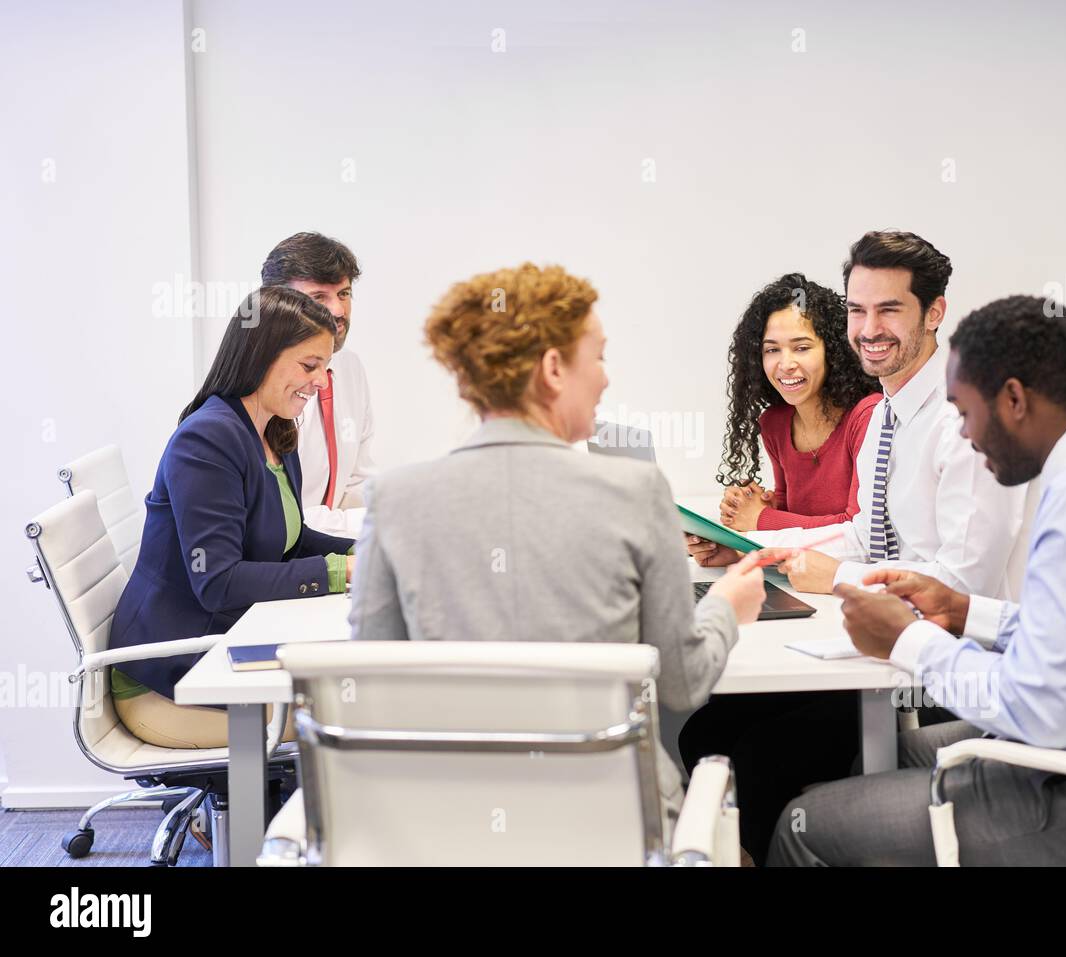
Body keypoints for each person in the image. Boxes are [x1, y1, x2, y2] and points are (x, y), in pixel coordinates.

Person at [769, 295, 1066, 866]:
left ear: (1014, 399)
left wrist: (907, 641)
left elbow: (1040, 710)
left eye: (967, 413)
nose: (966, 437)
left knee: (803, 827)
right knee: (887, 754)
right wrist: (967, 612)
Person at [347, 262, 767, 829]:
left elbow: (371, 689)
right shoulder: (635, 490)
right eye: (598, 356)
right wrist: (726, 609)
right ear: (552, 369)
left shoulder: (394, 499)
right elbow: (683, 683)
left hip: (453, 827)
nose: (606, 378)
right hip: (615, 824)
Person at [687, 231, 1026, 599]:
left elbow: (966, 586)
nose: (868, 329)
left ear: (934, 313)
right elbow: (863, 538)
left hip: (969, 645)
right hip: (899, 629)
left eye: (889, 309)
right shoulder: (885, 415)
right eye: (857, 310)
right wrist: (751, 550)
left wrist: (839, 577)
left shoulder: (970, 422)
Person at [108, 287, 357, 748]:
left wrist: (365, 552)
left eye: (325, 368)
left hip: (217, 648)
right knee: (344, 713)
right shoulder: (206, 440)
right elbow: (217, 581)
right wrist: (340, 572)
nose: (321, 382)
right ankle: (257, 819)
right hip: (171, 678)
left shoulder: (274, 431)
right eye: (309, 366)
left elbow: (293, 540)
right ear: (260, 356)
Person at [714, 273, 880, 533]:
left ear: (833, 352)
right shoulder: (774, 424)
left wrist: (760, 519)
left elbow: (858, 530)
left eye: (801, 348)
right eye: (772, 350)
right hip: (801, 572)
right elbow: (792, 520)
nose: (786, 364)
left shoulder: (868, 416)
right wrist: (737, 539)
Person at [262, 231, 375, 536]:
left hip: (326, 547)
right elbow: (277, 520)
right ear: (276, 303)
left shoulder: (350, 367)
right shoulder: (263, 386)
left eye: (344, 294)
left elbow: (355, 482)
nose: (338, 311)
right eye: (319, 297)